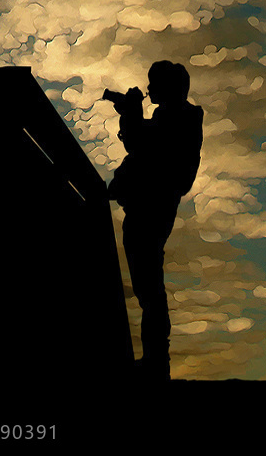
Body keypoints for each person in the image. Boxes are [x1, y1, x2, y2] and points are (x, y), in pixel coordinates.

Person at [104, 60, 203, 381]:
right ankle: (155, 359)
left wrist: (131, 112)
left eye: (153, 84)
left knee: (149, 286)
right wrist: (131, 113)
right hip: (153, 208)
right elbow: (145, 143)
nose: (148, 89)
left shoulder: (178, 118)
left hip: (152, 209)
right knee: (149, 285)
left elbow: (141, 145)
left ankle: (155, 361)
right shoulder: (177, 118)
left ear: (169, 87)